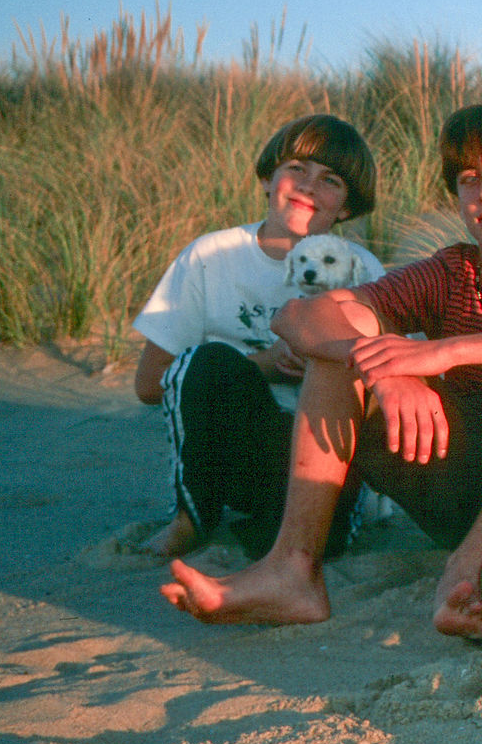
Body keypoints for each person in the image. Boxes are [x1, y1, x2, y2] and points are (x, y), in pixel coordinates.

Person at [160, 97, 482, 639]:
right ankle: (292, 572)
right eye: (468, 178)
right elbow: (301, 315)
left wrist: (444, 352)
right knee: (342, 350)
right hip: (457, 494)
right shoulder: (446, 271)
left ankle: (470, 566)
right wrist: (389, 372)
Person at [132, 113, 385, 559]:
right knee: (206, 360)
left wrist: (325, 363)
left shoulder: (362, 269)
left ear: (346, 206)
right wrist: (263, 365)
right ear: (270, 178)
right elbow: (151, 384)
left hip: (321, 456)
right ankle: (191, 517)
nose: (308, 187)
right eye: (296, 169)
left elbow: (389, 390)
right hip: (236, 448)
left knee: (291, 548)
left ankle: (298, 525)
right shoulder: (212, 256)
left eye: (330, 180)